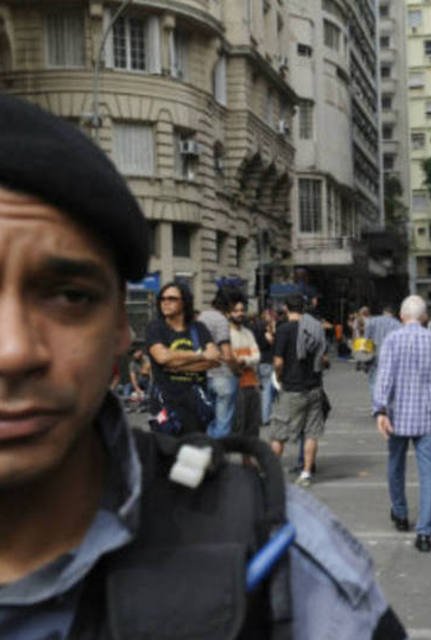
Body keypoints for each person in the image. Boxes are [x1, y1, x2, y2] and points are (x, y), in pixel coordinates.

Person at [0, 93, 403, 637]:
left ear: (120, 324)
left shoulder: (277, 556)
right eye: (162, 305)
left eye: (70, 297)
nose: (15, 351)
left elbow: (232, 359)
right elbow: (193, 359)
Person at [373, 296, 431, 553]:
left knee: (395, 465)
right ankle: (424, 533)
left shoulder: (391, 340)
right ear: (423, 318)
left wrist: (380, 410)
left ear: (401, 316)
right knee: (429, 473)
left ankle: (400, 514)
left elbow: (384, 376)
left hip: (397, 416)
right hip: (427, 416)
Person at [145, 282, 221, 435]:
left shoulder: (199, 328)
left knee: (195, 453)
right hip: (165, 404)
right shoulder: (155, 327)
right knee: (166, 453)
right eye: (162, 299)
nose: (165, 302)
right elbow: (162, 357)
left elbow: (214, 359)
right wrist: (199, 355)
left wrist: (176, 365)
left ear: (184, 302)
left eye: (172, 298)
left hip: (195, 403)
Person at [270, 294, 327, 487]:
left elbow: (278, 361)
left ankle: (270, 473)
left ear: (286, 308)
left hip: (292, 388)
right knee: (311, 433)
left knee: (279, 433)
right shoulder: (314, 329)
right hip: (314, 387)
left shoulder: (283, 329)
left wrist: (279, 377)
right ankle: (306, 473)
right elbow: (324, 359)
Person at [197, 287, 244, 439]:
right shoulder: (221, 320)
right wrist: (237, 370)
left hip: (203, 374)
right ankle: (215, 458)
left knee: (208, 421)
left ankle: (206, 455)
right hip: (222, 375)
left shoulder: (201, 317)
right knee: (223, 424)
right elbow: (227, 354)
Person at [228, 296, 261, 439]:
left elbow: (257, 356)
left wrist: (244, 360)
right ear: (228, 313)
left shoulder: (248, 333)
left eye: (242, 310)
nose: (240, 313)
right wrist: (247, 360)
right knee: (236, 429)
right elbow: (231, 361)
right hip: (234, 387)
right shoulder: (226, 334)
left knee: (252, 429)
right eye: (236, 311)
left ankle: (248, 461)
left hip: (252, 385)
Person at [364, 304, 402, 399]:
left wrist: (365, 358)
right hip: (390, 358)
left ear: (383, 312)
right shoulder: (398, 324)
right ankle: (387, 403)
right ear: (393, 314)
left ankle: (377, 406)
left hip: (374, 356)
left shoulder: (372, 322)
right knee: (389, 382)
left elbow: (366, 341)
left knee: (373, 382)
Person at [252, 307, 277, 427]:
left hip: (257, 361)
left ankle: (258, 415)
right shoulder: (267, 329)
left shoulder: (254, 328)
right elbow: (271, 343)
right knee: (267, 389)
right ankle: (265, 417)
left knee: (259, 389)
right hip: (267, 360)